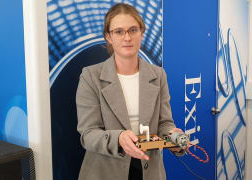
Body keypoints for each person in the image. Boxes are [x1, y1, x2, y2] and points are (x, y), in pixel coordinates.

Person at [76, 3, 185, 180]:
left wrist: (174, 137)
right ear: (108, 37)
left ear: (142, 33)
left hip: (149, 170)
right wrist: (118, 138)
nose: (127, 37)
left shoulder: (158, 75)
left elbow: (165, 123)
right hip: (105, 171)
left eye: (133, 30)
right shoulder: (90, 76)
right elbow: (88, 134)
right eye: (119, 31)